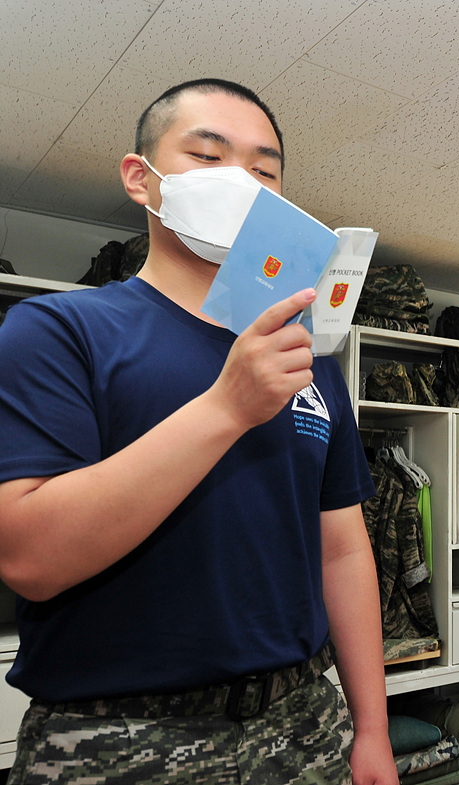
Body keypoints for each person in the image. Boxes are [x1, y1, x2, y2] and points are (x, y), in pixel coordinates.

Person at [0, 79, 396, 784]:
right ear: (140, 179)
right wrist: (226, 407)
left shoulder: (307, 357)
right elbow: (30, 556)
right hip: (117, 737)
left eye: (264, 171)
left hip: (305, 724)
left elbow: (342, 548)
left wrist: (371, 727)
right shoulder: (58, 332)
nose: (239, 182)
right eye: (208, 157)